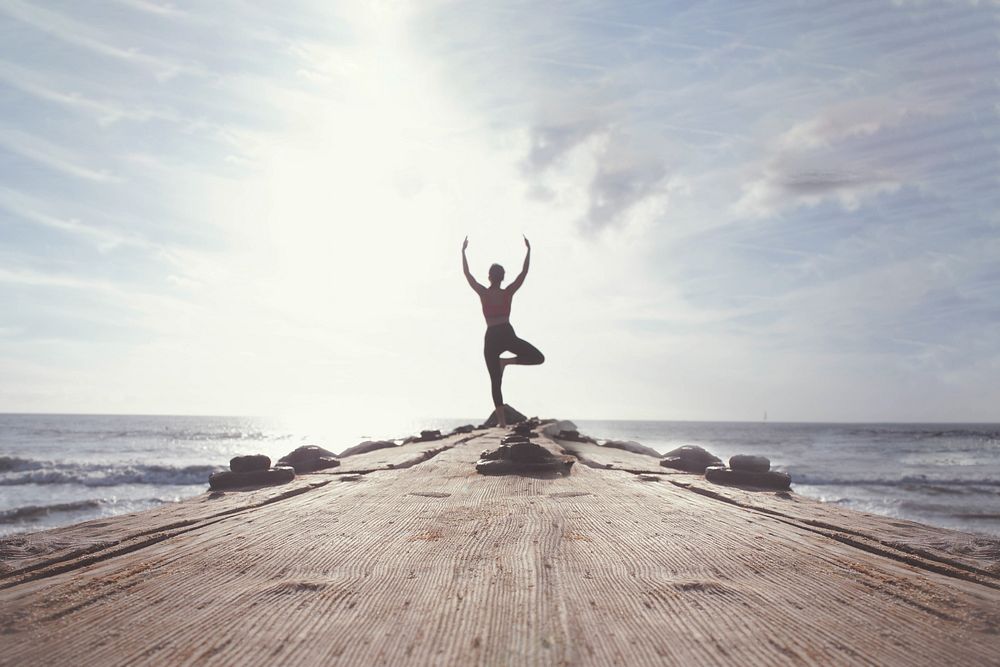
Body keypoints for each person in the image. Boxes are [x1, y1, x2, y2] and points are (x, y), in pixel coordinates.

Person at [462, 235, 544, 427]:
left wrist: (463, 252)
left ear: (490, 276)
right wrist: (528, 251)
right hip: (506, 334)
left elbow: (468, 275)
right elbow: (523, 273)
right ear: (502, 277)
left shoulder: (484, 292)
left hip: (492, 336)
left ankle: (502, 422)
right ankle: (506, 362)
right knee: (538, 358)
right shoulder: (507, 292)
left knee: (495, 381)